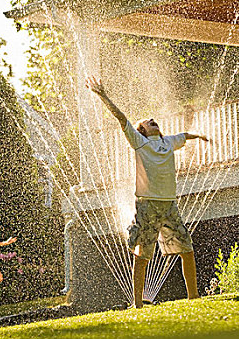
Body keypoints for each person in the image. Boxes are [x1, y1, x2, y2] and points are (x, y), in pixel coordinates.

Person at [86, 76, 208, 308]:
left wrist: (199, 136)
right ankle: (137, 304)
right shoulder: (139, 142)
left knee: (187, 249)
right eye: (148, 122)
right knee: (142, 256)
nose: (154, 121)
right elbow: (122, 119)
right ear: (141, 130)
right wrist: (103, 96)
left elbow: (184, 135)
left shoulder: (168, 142)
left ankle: (194, 296)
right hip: (148, 205)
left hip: (169, 204)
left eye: (154, 120)